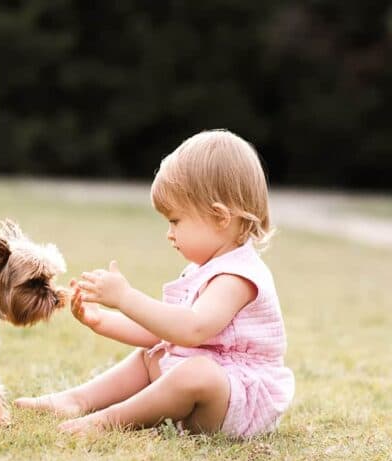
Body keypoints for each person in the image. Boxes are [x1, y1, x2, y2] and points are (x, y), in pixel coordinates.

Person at [15, 129, 295, 438]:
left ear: (220, 217)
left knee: (195, 372)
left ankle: (108, 421)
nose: (169, 233)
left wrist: (125, 297)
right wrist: (102, 320)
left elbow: (190, 329)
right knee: (153, 355)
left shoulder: (237, 277)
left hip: (238, 401)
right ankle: (77, 399)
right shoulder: (202, 269)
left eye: (175, 220)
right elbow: (161, 332)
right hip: (209, 385)